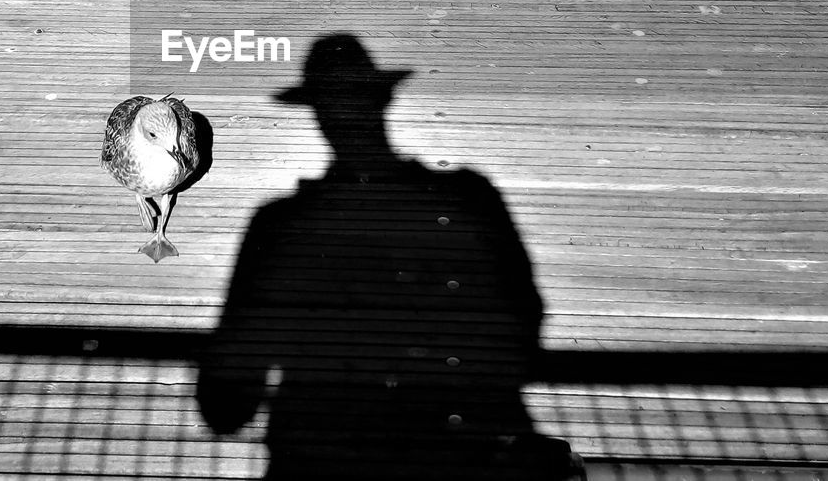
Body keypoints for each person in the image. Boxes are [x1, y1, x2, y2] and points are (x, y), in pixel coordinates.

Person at [198, 34, 583, 480]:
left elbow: (227, 400)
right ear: (383, 98)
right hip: (462, 453)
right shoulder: (465, 199)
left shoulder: (283, 225)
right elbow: (520, 317)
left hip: (326, 460)